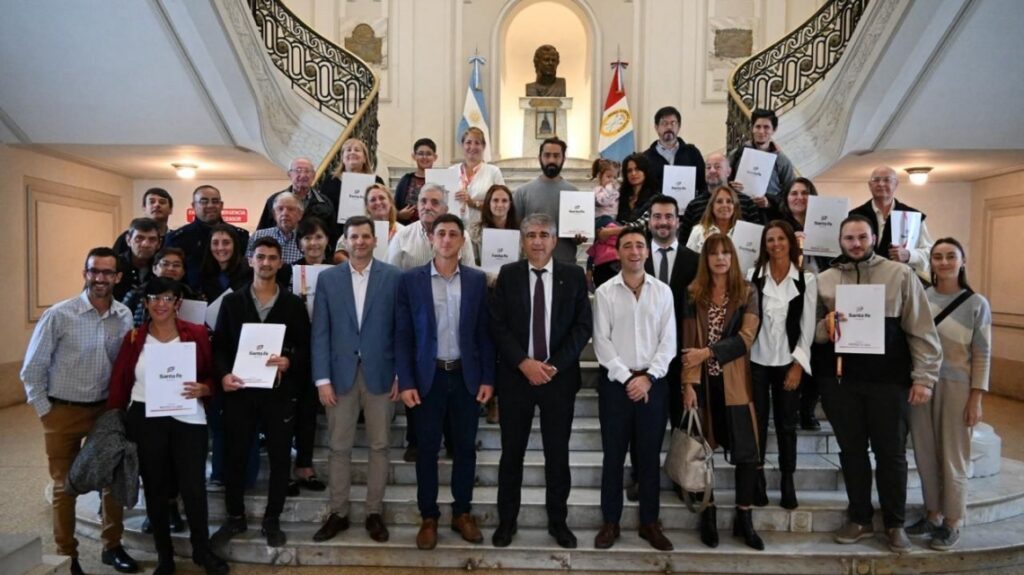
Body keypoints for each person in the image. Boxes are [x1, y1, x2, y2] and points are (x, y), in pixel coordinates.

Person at [814, 215, 941, 553]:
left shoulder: (900, 274)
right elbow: (809, 333)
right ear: (840, 241)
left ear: (873, 238)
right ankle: (859, 518)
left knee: (891, 454)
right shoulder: (825, 280)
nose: (856, 244)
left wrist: (924, 377)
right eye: (849, 238)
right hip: (841, 384)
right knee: (852, 453)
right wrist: (826, 327)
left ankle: (894, 524)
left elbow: (921, 329)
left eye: (862, 237)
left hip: (890, 383)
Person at [20, 247, 137, 575]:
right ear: (85, 273)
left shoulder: (124, 315)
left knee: (112, 479)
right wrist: (47, 413)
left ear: (117, 277)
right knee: (64, 485)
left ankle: (112, 547)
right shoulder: (59, 314)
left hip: (105, 411)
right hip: (63, 411)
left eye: (107, 272)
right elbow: (32, 368)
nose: (100, 278)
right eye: (94, 271)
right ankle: (67, 555)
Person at [106, 277, 229, 575]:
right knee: (156, 487)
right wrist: (115, 419)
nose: (161, 304)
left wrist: (205, 388)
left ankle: (202, 550)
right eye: (154, 298)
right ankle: (165, 556)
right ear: (146, 302)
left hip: (189, 417)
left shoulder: (196, 334)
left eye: (167, 298)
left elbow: (211, 374)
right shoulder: (134, 338)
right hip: (146, 418)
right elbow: (121, 381)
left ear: (177, 303)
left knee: (193, 487)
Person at [490, 213, 592, 549]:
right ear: (522, 241)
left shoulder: (573, 276)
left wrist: (553, 366)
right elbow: (497, 325)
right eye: (531, 235)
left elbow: (582, 327)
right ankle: (507, 521)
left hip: (558, 380)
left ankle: (558, 522)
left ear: (554, 240)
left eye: (544, 235)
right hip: (516, 379)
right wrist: (524, 363)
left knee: (557, 455)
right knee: (511, 454)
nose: (537, 241)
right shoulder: (509, 275)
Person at [395, 214, 495, 550]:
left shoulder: (477, 281)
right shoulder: (411, 281)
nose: (447, 239)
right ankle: (429, 516)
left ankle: (462, 512)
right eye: (441, 233)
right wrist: (406, 381)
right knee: (426, 450)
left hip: (466, 376)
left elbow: (484, 334)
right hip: (428, 378)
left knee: (465, 449)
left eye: (454, 234)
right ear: (431, 239)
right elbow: (404, 335)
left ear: (463, 241)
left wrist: (487, 378)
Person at [211, 237, 311, 549]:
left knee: (280, 458)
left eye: (272, 258)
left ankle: (272, 519)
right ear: (251, 260)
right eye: (261, 257)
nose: (266, 262)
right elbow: (219, 347)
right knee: (236, 455)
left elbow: (304, 346)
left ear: (280, 263)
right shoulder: (232, 302)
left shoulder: (293, 304)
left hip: (278, 394)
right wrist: (223, 375)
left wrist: (289, 360)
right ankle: (235, 517)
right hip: (240, 392)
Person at [311, 216, 402, 544]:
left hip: (382, 374)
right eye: (354, 237)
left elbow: (401, 330)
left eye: (366, 236)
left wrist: (400, 374)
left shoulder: (394, 277)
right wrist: (322, 379)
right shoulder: (328, 279)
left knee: (380, 446)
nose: (360, 242)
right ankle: (338, 512)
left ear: (375, 240)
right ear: (345, 242)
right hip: (339, 376)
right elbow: (320, 332)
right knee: (339, 447)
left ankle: (373, 512)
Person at [592, 227, 676, 551]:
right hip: (617, 386)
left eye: (640, 245)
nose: (634, 251)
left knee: (649, 457)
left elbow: (668, 343)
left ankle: (649, 523)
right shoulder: (605, 293)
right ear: (618, 252)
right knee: (613, 456)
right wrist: (628, 379)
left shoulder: (663, 292)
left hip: (653, 385)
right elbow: (602, 342)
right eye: (627, 245)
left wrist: (649, 378)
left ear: (647, 251)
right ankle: (610, 522)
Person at [907, 238, 991, 551]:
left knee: (953, 456)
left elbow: (982, 353)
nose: (943, 262)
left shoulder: (976, 303)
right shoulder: (922, 297)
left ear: (962, 261)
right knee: (925, 452)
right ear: (930, 262)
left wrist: (976, 398)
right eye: (938, 257)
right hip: (921, 384)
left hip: (957, 387)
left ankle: (953, 521)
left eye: (950, 256)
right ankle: (932, 514)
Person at [681, 233, 764, 551]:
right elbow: (689, 342)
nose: (720, 258)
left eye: (725, 253)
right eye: (713, 253)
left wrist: (708, 353)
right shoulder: (693, 293)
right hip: (703, 384)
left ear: (733, 257)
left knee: (746, 452)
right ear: (706, 258)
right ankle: (709, 512)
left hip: (736, 383)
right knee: (703, 451)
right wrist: (688, 384)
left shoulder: (747, 291)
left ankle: (745, 517)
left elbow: (746, 338)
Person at [747, 221, 816, 510]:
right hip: (757, 360)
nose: (776, 244)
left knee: (787, 424)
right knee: (757, 423)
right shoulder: (753, 276)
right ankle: (758, 476)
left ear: (790, 242)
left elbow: (807, 327)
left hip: (788, 361)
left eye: (781, 239)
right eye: (770, 240)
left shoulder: (805, 279)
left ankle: (788, 479)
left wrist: (798, 365)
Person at [774, 177, 829, 430]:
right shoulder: (780, 226)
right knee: (792, 351)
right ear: (786, 198)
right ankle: (791, 408)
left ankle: (808, 408)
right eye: (794, 193)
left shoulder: (826, 224)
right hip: (790, 297)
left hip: (820, 296)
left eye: (804, 193)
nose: (799, 198)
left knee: (817, 353)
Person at [848, 166, 934, 281]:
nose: (881, 184)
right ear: (870, 185)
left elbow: (930, 253)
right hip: (861, 279)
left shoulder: (912, 216)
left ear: (896, 184)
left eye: (887, 180)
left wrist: (909, 255)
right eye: (876, 180)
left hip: (899, 280)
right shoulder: (854, 216)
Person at [165, 185, 250, 290]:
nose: (210, 205)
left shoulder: (240, 235)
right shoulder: (178, 238)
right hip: (192, 297)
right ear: (193, 205)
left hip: (235, 295)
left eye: (215, 201)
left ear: (221, 205)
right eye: (204, 201)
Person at [513, 137, 581, 264]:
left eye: (556, 156)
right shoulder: (522, 192)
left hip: (565, 264)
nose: (551, 160)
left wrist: (579, 237)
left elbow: (577, 233)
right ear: (539, 158)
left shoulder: (574, 193)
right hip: (532, 265)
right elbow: (516, 232)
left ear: (563, 159)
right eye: (547, 155)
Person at [387, 184, 475, 271]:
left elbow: (470, 274)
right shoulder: (402, 236)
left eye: (435, 203)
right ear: (417, 205)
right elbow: (391, 275)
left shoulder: (461, 236)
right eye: (423, 201)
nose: (427, 207)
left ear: (445, 209)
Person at [680, 152, 763, 241]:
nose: (712, 171)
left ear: (728, 172)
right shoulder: (694, 205)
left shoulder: (747, 202)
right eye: (708, 167)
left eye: (717, 167)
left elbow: (756, 239)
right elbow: (684, 242)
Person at [257, 157, 338, 247]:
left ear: (313, 175)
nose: (302, 175)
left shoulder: (325, 203)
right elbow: (263, 231)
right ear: (289, 174)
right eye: (298, 171)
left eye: (307, 171)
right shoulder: (274, 200)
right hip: (280, 251)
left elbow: (333, 236)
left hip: (314, 251)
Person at [727, 108, 797, 205]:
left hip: (768, 213)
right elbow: (723, 183)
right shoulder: (737, 154)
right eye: (758, 126)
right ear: (752, 128)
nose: (761, 131)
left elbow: (790, 194)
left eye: (766, 127)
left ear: (774, 130)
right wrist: (730, 186)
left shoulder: (782, 161)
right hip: (740, 208)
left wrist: (769, 203)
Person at [121, 247, 194, 328]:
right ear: (154, 269)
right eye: (165, 264)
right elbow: (121, 322)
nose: (170, 268)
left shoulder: (191, 295)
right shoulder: (136, 294)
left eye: (176, 265)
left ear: (183, 271)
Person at [642, 106, 706, 193]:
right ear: (656, 127)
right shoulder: (646, 158)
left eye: (673, 123)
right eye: (664, 123)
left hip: (689, 202)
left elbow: (702, 183)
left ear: (679, 126)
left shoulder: (692, 153)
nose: (669, 127)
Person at [453, 127, 505, 232]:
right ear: (462, 145)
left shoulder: (493, 172)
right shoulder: (451, 171)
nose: (472, 147)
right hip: (455, 230)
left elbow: (503, 204)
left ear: (483, 146)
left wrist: (473, 203)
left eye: (477, 143)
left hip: (484, 230)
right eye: (468, 142)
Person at [334, 184, 404, 262]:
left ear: (390, 202)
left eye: (382, 198)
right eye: (373, 200)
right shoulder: (357, 227)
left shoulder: (403, 231)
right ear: (367, 207)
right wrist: (357, 267)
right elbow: (339, 255)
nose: (378, 202)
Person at [320, 138, 386, 213]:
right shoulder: (331, 180)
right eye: (348, 150)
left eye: (357, 150)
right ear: (342, 158)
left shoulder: (376, 182)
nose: (352, 152)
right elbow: (323, 208)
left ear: (364, 158)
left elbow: (384, 207)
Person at [197, 224, 251, 303]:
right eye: (215, 243)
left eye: (226, 243)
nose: (220, 248)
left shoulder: (249, 272)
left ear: (235, 245)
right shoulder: (205, 274)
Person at [247, 192, 304, 263]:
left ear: (300, 215)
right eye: (280, 209)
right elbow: (248, 264)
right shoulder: (258, 236)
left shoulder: (307, 239)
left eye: (290, 209)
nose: (284, 213)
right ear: (274, 214)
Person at [470, 184, 519, 266]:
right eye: (495, 200)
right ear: (488, 203)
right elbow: (472, 263)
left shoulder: (520, 231)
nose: (500, 205)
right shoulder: (475, 231)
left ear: (510, 204)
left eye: (504, 201)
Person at [113, 188, 174, 254]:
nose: (157, 205)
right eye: (152, 202)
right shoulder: (129, 236)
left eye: (162, 202)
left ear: (170, 209)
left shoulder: (177, 238)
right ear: (144, 208)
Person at [113, 217, 160, 302]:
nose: (145, 244)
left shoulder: (162, 267)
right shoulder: (114, 265)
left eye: (152, 239)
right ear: (128, 240)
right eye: (139, 238)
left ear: (159, 244)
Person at [394, 138, 438, 225]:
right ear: (414, 156)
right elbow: (394, 207)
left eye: (428, 154)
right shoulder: (405, 180)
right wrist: (399, 215)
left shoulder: (440, 180)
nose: (424, 157)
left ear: (435, 157)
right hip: (408, 228)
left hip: (435, 229)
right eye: (420, 153)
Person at [686, 185, 741, 253]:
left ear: (735, 206)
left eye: (729, 201)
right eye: (719, 201)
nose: (724, 205)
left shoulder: (744, 233)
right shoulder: (698, 231)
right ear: (712, 206)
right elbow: (688, 258)